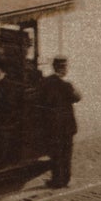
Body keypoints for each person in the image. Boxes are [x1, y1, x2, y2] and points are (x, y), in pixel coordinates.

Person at [37, 56, 81, 187]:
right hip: (66, 124)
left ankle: (57, 179)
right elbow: (77, 97)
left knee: (55, 153)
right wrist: (73, 85)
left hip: (51, 124)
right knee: (66, 153)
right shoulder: (66, 85)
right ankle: (65, 179)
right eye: (65, 66)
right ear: (63, 68)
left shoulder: (46, 82)